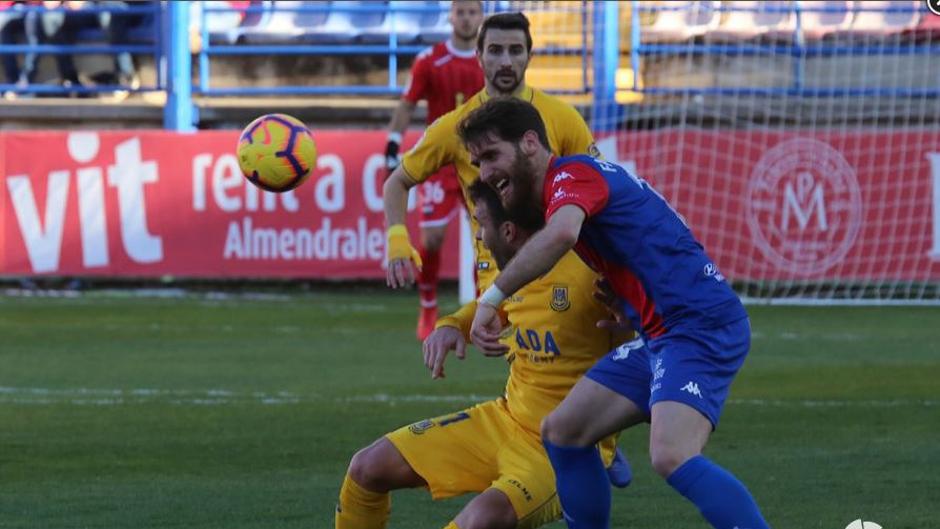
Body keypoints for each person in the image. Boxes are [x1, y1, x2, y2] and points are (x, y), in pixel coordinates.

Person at [459, 98, 771, 529]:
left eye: (492, 155)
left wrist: (492, 298)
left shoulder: (570, 175)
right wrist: (632, 305)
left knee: (671, 454)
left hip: (700, 328)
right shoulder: (573, 184)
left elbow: (562, 234)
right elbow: (652, 247)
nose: (485, 172)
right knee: (563, 432)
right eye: (477, 161)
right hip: (663, 333)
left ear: (530, 142)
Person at [336, 180, 631, 529]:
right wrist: (451, 325)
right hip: (505, 419)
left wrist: (630, 316)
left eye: (480, 225)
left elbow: (656, 323)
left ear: (508, 230)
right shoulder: (510, 270)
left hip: (563, 449)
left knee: (481, 520)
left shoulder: (590, 268)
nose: (477, 237)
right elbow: (491, 303)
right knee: (367, 467)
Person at [384, 0, 484, 341]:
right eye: (462, 12)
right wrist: (393, 144)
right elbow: (407, 103)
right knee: (432, 237)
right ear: (451, 16)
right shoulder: (430, 60)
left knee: (488, 237)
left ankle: (484, 307)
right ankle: (428, 304)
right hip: (441, 161)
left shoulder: (491, 60)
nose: (467, 18)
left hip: (481, 164)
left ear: (481, 16)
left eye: (473, 12)